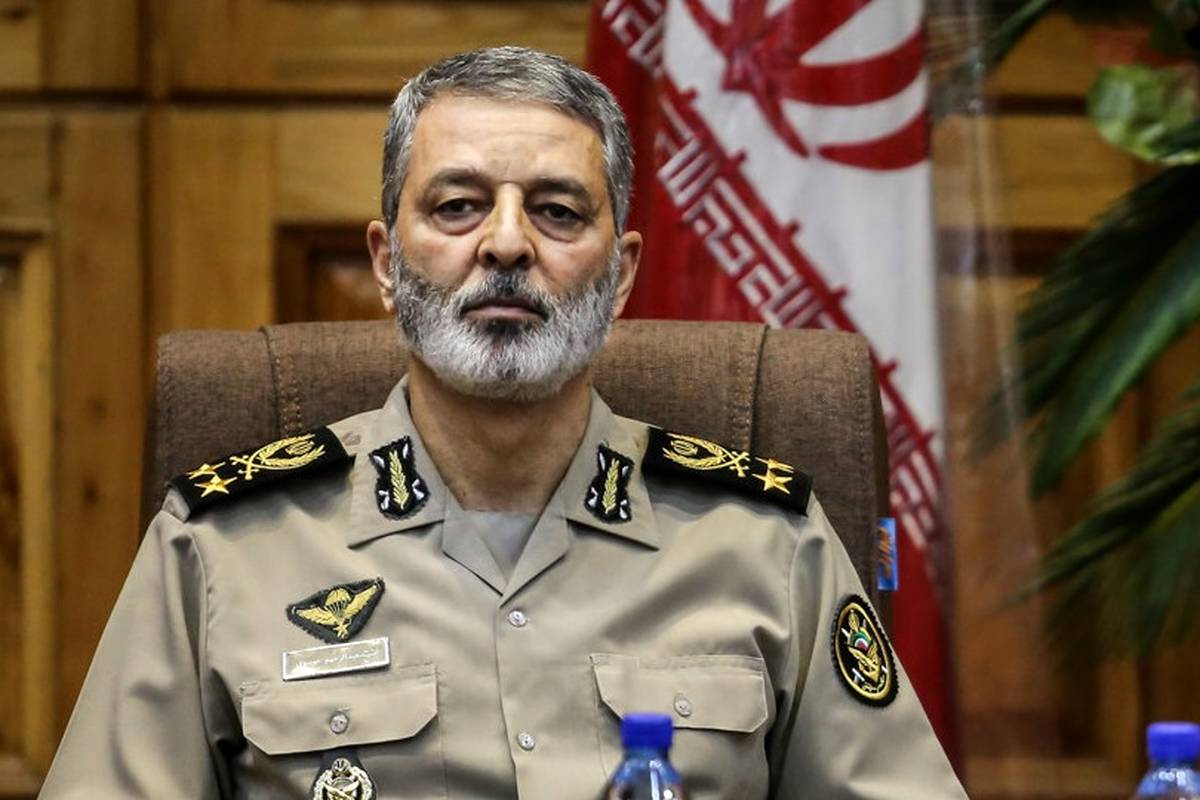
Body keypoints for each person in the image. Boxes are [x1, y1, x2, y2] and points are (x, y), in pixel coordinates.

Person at [40, 47, 968, 799]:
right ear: (387, 262)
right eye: (459, 206)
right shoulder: (220, 549)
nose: (509, 243)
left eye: (558, 211)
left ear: (622, 274)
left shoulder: (767, 542)